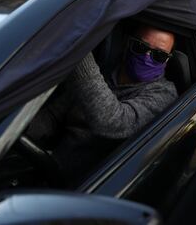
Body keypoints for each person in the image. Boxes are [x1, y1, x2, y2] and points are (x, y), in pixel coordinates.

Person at [28, 24, 178, 182]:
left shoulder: (164, 94)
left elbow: (112, 122)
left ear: (167, 61)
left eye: (159, 56)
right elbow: (54, 115)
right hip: (46, 164)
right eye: (140, 47)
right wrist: (20, 134)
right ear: (128, 43)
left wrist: (79, 48)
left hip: (88, 187)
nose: (147, 57)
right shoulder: (105, 71)